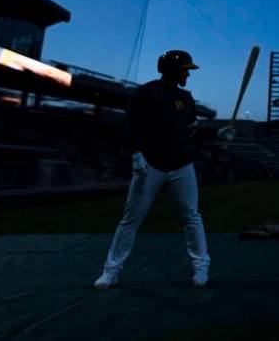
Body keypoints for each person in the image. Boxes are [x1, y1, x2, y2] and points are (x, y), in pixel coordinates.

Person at [94, 50, 228, 290]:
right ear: (173, 69)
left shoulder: (185, 98)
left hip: (181, 164)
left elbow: (192, 131)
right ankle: (111, 271)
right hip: (150, 165)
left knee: (191, 216)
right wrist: (136, 153)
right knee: (130, 220)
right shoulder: (144, 93)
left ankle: (201, 266)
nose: (188, 73)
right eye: (185, 69)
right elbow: (131, 126)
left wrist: (217, 133)